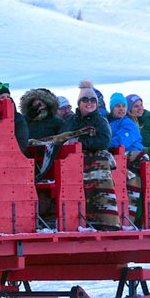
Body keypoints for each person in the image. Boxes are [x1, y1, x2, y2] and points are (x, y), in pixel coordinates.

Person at [63, 80, 119, 231]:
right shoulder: (72, 120)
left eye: (93, 100)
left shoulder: (100, 120)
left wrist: (81, 141)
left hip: (94, 157)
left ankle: (104, 218)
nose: (89, 103)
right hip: (74, 158)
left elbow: (104, 140)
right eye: (85, 100)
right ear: (79, 102)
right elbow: (65, 137)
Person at [108, 92, 148, 223]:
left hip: (133, 156)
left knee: (131, 180)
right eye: (117, 106)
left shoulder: (128, 123)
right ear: (112, 108)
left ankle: (129, 218)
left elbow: (122, 141)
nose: (121, 109)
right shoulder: (110, 123)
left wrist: (104, 143)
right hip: (120, 157)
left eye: (123, 106)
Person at [0, 78, 29, 155]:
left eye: (8, 97)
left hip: (13, 155)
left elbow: (22, 140)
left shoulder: (18, 118)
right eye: (2, 97)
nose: (6, 100)